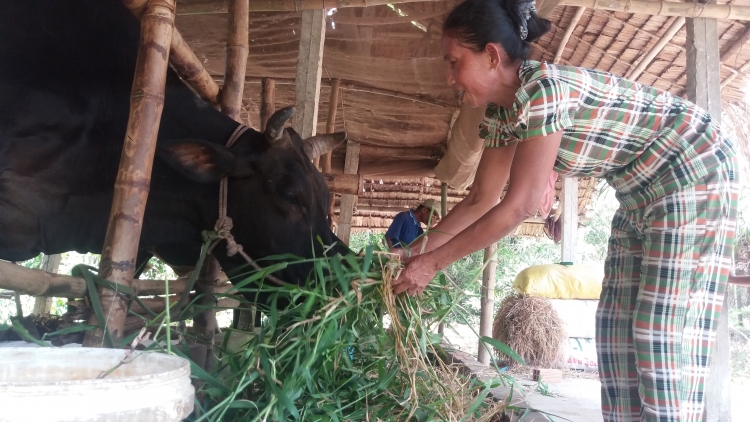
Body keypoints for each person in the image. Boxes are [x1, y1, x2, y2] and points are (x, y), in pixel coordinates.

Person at [391, 1, 739, 421]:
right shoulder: (503, 113)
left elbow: (517, 206)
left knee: (659, 331)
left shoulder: (543, 90)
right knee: (613, 331)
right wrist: (412, 255)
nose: (449, 77)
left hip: (692, 167)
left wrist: (431, 265)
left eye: (454, 62)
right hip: (637, 191)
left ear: (492, 56)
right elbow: (481, 199)